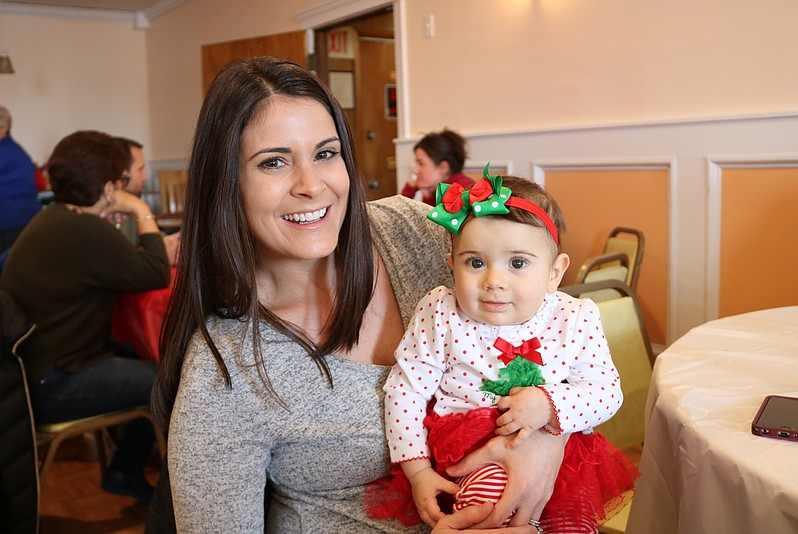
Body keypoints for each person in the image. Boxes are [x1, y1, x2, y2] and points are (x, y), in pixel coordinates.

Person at [148, 56, 568, 534]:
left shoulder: (415, 233)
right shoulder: (227, 371)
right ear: (227, 183)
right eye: (274, 162)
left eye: (326, 153)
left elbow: (556, 336)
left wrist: (545, 437)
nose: (312, 186)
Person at [368, 172, 639, 532]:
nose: (494, 281)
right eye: (475, 263)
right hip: (469, 454)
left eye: (518, 263)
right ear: (453, 264)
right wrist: (416, 471)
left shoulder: (573, 316)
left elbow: (606, 391)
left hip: (560, 454)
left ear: (554, 273)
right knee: (490, 514)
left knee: (570, 524)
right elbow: (406, 388)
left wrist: (548, 403)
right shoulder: (441, 311)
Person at [0, 129, 171, 503]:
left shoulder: (55, 219)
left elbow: (129, 264)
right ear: (110, 188)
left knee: (140, 355)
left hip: (35, 373)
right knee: (170, 377)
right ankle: (133, 473)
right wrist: (141, 211)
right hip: (54, 383)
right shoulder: (83, 229)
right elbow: (156, 272)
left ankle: (126, 466)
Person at [112, 136, 180, 264]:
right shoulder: (104, 211)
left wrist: (173, 243)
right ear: (122, 173)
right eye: (140, 169)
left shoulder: (130, 206)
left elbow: (157, 242)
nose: (145, 176)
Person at [0, 106, 42, 253]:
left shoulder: (5, 151)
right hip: (22, 220)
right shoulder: (15, 150)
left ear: (4, 128)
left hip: (11, 223)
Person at [401, 128, 474, 206]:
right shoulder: (438, 191)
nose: (414, 170)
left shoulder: (460, 192)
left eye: (421, 163)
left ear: (443, 167)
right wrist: (426, 196)